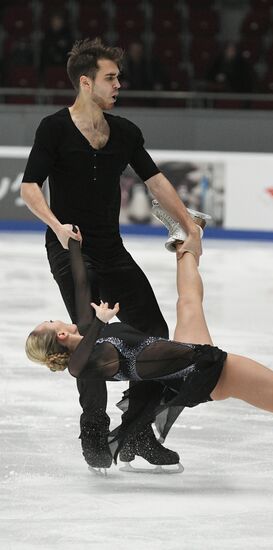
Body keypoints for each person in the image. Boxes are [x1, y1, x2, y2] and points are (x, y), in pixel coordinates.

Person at [25, 203, 273, 500]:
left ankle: (185, 236)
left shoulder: (90, 334)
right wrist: (99, 324)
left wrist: (71, 244)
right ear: (59, 337)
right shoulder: (85, 360)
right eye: (50, 323)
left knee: (188, 303)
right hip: (202, 370)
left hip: (188, 360)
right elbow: (84, 360)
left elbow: (79, 284)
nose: (55, 319)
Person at [20, 38, 202, 474]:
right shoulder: (54, 128)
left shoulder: (124, 131)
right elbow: (29, 187)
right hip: (71, 249)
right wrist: (56, 226)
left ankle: (137, 430)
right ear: (86, 83)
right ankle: (94, 429)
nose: (119, 83)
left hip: (113, 249)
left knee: (157, 334)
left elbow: (154, 180)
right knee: (91, 338)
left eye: (117, 77)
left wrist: (188, 224)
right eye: (110, 77)